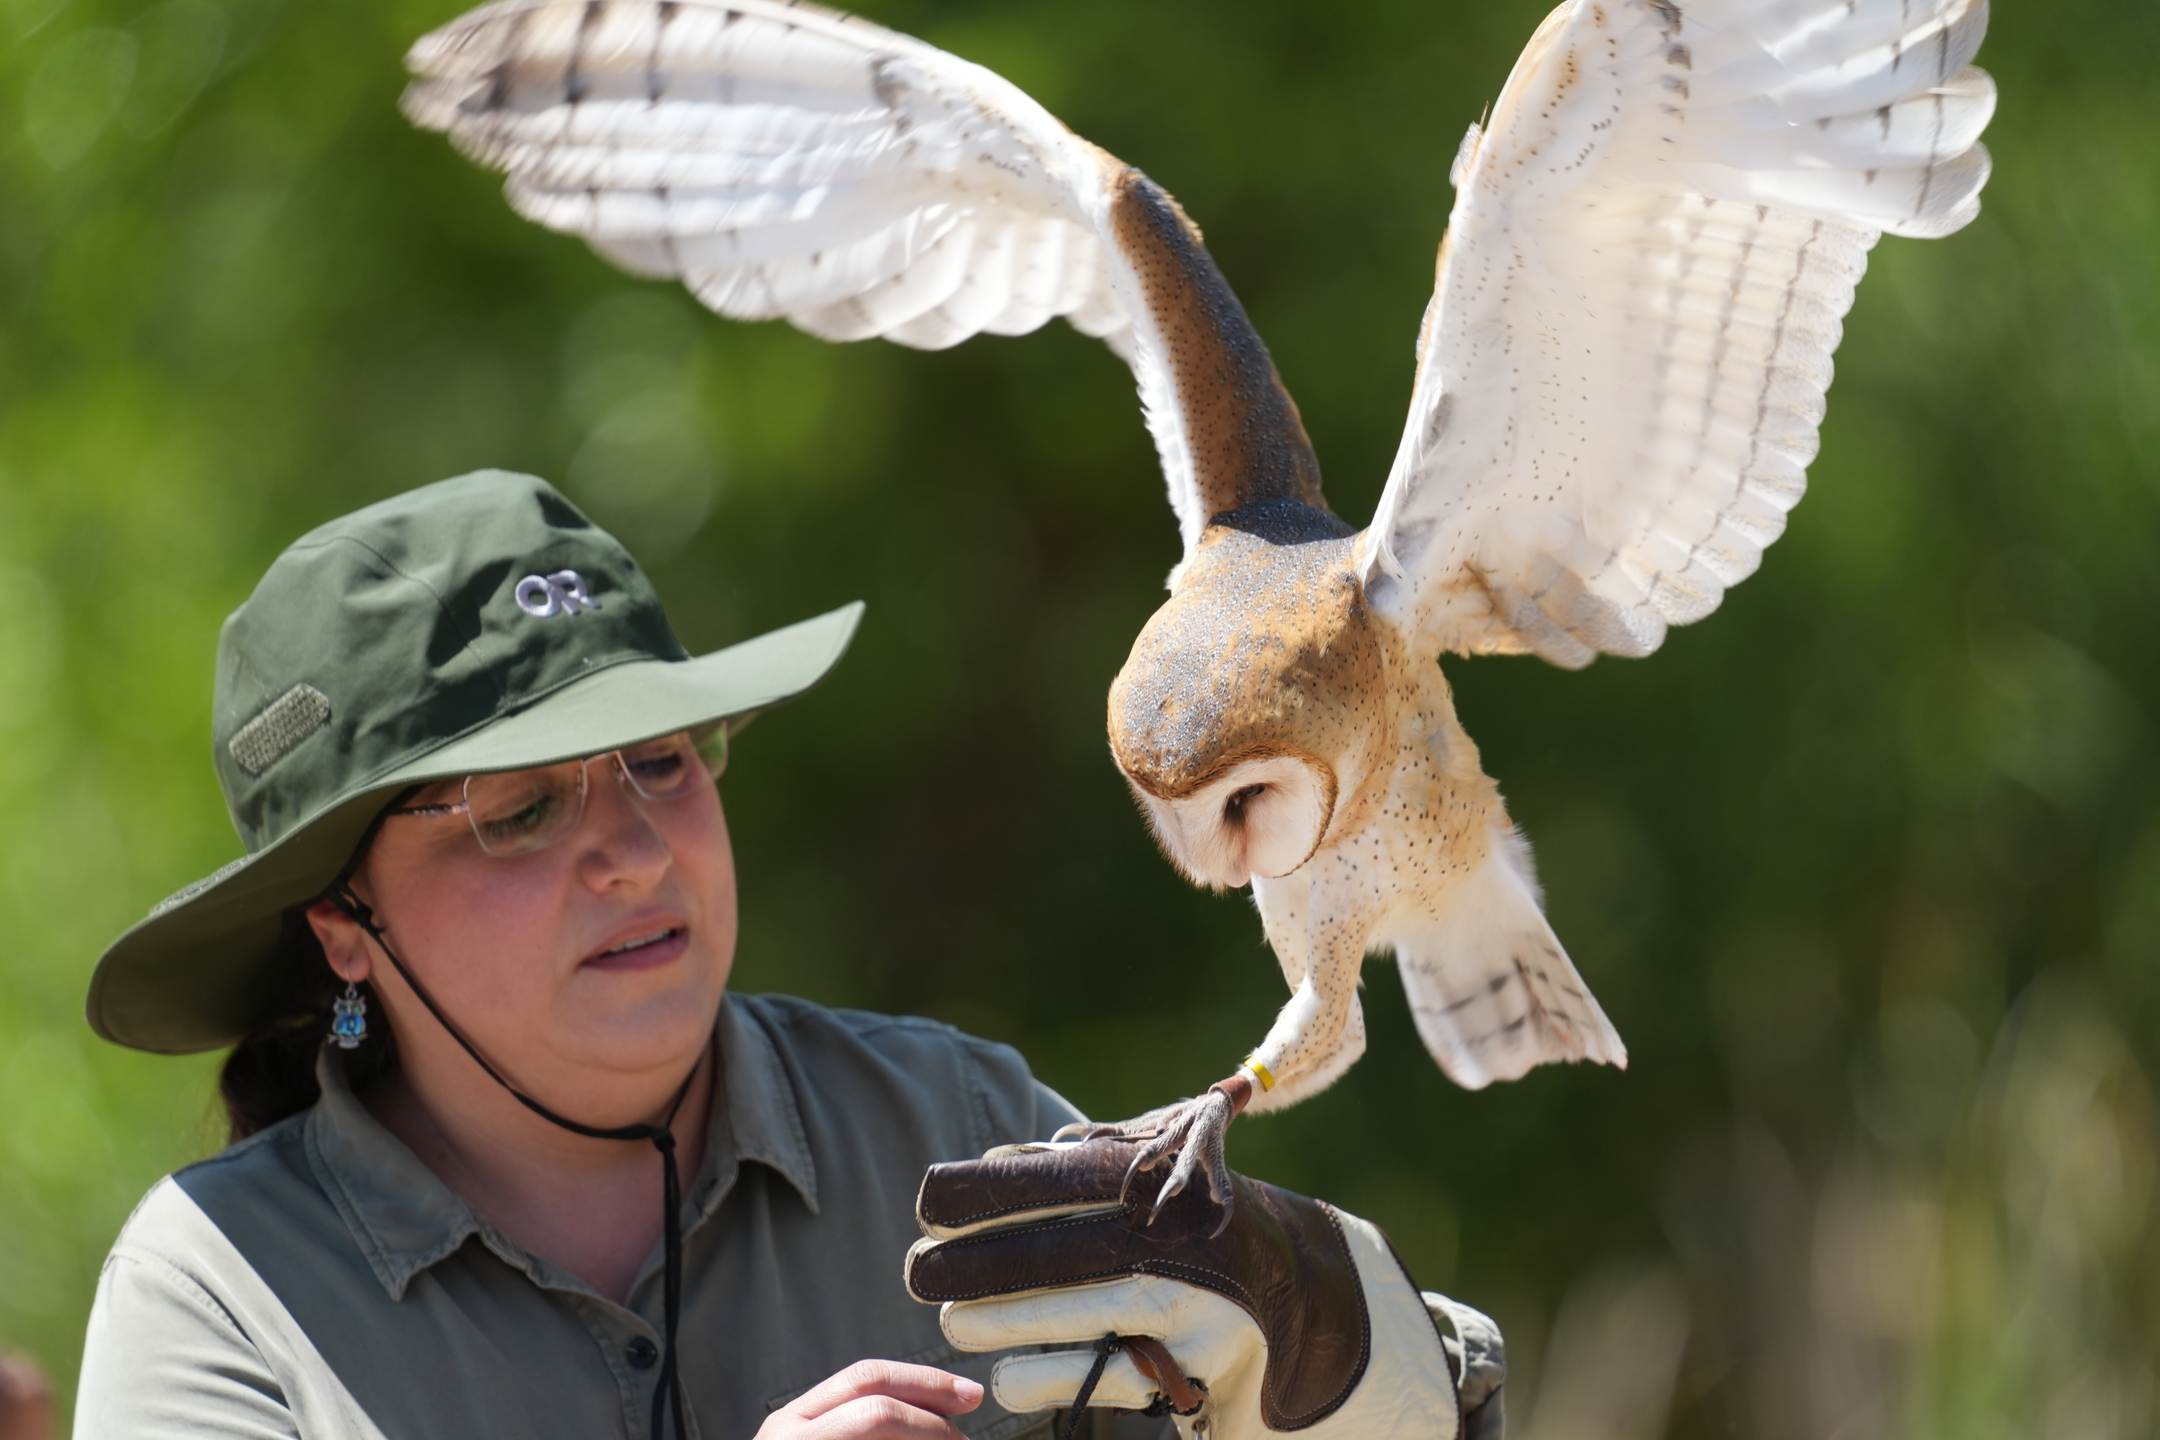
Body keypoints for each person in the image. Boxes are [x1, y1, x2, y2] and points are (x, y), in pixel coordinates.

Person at [74, 470, 1503, 1440]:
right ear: (345, 929)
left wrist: (1321, 1329)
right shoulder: (218, 1291)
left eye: (662, 760)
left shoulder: (956, 1132)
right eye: (518, 810)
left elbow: (1419, 1401)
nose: (632, 847)